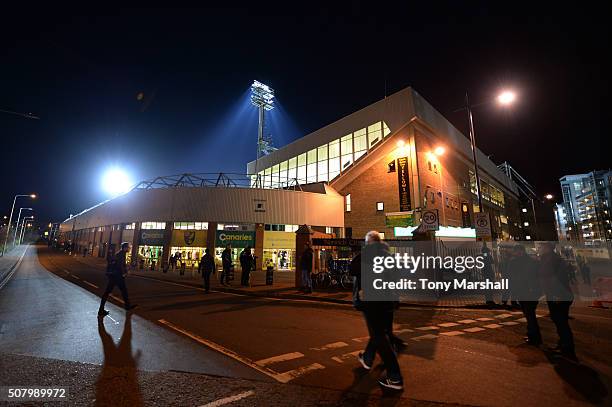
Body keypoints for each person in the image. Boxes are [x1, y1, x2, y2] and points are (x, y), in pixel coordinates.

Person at [356, 231, 403, 390]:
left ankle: (395, 377)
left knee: (379, 337)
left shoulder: (368, 253)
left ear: (370, 242)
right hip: (388, 302)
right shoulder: (389, 255)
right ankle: (368, 359)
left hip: (373, 302)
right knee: (380, 334)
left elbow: (352, 268)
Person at [539, 242, 576, 359]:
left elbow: (559, 278)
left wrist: (558, 294)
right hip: (554, 294)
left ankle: (567, 348)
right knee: (558, 320)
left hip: (559, 295)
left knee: (561, 322)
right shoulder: (546, 259)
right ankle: (563, 345)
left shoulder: (554, 260)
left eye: (542, 247)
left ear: (548, 248)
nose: (540, 249)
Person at [509, 244, 542, 346]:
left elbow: (514, 278)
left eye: (516, 251)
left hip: (526, 292)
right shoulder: (532, 261)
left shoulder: (517, 262)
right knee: (529, 314)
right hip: (530, 292)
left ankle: (534, 337)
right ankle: (532, 335)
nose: (515, 253)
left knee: (529, 315)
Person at [98, 242, 137, 317]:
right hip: (117, 276)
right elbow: (120, 265)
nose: (129, 249)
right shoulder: (121, 254)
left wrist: (125, 270)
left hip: (114, 276)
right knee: (122, 291)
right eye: (128, 247)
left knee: (111, 292)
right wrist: (124, 273)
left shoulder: (119, 253)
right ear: (125, 248)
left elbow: (121, 265)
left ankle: (101, 309)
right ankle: (127, 306)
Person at [481, 243, 497, 308]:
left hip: (486, 273)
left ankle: (488, 300)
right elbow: (492, 261)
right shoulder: (487, 256)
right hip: (488, 273)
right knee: (489, 287)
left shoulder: (483, 256)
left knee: (488, 287)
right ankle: (489, 300)